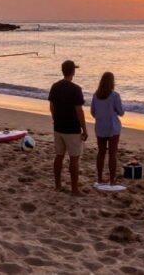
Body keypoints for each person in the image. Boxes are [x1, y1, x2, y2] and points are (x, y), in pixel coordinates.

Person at [48, 60, 88, 195]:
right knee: (74, 158)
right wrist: (84, 129)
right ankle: (74, 189)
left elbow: (52, 107)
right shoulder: (76, 89)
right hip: (72, 128)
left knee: (59, 156)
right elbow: (79, 111)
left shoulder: (55, 86)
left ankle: (57, 185)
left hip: (58, 126)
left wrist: (56, 118)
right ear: (73, 72)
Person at [90, 72, 125, 186]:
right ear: (112, 82)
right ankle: (111, 179)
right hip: (112, 127)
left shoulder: (96, 95)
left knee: (101, 152)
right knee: (112, 154)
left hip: (100, 127)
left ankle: (100, 178)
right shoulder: (115, 96)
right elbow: (121, 112)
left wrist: (101, 117)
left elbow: (93, 112)